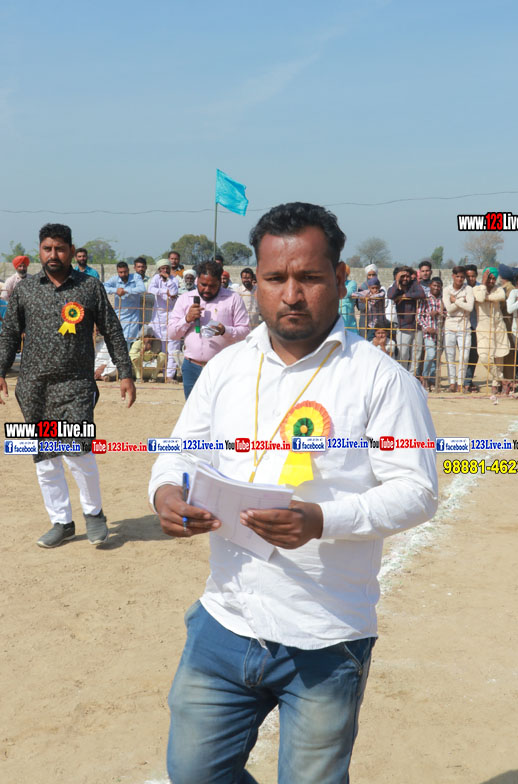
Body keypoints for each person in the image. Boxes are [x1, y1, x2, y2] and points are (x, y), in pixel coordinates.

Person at [149, 202, 438, 784]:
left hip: (325, 638)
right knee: (194, 774)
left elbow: (417, 490)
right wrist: (166, 495)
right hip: (224, 623)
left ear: (341, 277)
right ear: (254, 282)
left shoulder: (382, 379)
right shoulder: (226, 369)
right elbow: (180, 453)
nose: (291, 295)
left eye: (309, 277)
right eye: (275, 278)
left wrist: (321, 520)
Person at [0, 223, 135, 548]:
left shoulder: (89, 287)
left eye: (60, 249)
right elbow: (9, 333)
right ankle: (61, 521)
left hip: (76, 385)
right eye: (47, 248)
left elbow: (112, 330)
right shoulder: (26, 289)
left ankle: (94, 514)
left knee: (78, 449)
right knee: (45, 456)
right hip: (33, 388)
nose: (53, 254)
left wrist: (125, 371)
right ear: (39, 251)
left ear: (71, 251)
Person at [168, 260, 250, 398]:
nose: (207, 290)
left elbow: (245, 333)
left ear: (220, 282)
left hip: (223, 368)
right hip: (191, 368)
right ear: (197, 280)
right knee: (193, 409)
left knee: (221, 409)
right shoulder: (185, 299)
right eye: (203, 285)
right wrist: (187, 319)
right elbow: (171, 333)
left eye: (212, 286)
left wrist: (225, 331)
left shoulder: (233, 299)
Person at [473, 268, 510, 395]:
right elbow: (479, 298)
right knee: (484, 356)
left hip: (498, 327)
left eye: (494, 278)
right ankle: (502, 379)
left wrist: (487, 297)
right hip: (483, 329)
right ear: (484, 277)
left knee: (499, 356)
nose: (491, 281)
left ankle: (496, 384)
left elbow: (501, 296)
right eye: (489, 278)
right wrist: (483, 284)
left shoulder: (499, 289)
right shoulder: (476, 289)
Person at [387, 267, 426, 371]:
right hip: (403, 326)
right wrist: (397, 282)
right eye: (402, 276)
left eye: (407, 276)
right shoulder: (396, 287)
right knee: (403, 354)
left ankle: (412, 376)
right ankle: (404, 375)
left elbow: (421, 294)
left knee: (416, 355)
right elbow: (390, 295)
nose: (405, 278)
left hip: (417, 325)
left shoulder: (414, 284)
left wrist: (405, 296)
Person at [442, 266, 474, 392]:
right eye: (457, 276)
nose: (460, 279)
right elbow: (449, 309)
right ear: (453, 276)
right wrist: (461, 301)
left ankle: (460, 383)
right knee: (450, 356)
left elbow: (470, 307)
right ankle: (452, 383)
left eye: (462, 277)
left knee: (464, 356)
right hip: (450, 325)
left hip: (464, 325)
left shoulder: (468, 289)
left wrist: (455, 300)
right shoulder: (446, 290)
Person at [148, 259, 181, 381]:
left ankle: (170, 375)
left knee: (173, 346)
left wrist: (168, 281)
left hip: (172, 315)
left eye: (167, 268)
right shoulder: (156, 278)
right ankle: (163, 373)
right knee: (162, 349)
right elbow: (150, 289)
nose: (165, 270)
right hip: (158, 317)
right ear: (159, 270)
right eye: (163, 268)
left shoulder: (174, 280)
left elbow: (174, 292)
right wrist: (163, 291)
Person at [103, 261, 145, 348]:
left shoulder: (136, 277)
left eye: (125, 272)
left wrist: (125, 291)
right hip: (120, 315)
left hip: (133, 315)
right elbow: (103, 286)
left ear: (128, 270)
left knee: (131, 340)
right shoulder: (115, 279)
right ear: (117, 272)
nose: (123, 274)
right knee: (119, 339)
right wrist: (116, 290)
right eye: (120, 272)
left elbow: (142, 289)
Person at [417, 276, 445, 390]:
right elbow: (419, 316)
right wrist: (426, 327)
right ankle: (424, 377)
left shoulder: (443, 299)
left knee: (437, 358)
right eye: (434, 285)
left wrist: (439, 313)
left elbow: (448, 313)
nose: (436, 288)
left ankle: (432, 380)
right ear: (430, 286)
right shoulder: (425, 299)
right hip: (429, 332)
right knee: (430, 354)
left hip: (440, 332)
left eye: (438, 286)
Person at [464, 265, 479, 392]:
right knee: (464, 355)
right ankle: (463, 380)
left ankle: (468, 380)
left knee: (474, 354)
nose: (470, 279)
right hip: (463, 326)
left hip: (477, 326)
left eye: (473, 276)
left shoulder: (480, 288)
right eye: (468, 276)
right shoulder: (462, 288)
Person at [338, 264, 357, 330]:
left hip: (348, 319)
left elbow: (348, 293)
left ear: (347, 274)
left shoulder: (352, 283)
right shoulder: (334, 284)